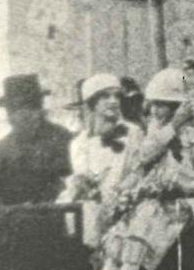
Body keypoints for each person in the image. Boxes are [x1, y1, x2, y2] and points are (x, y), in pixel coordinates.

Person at [94, 68, 194, 270]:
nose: (154, 111)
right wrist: (172, 128)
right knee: (127, 218)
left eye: (161, 105)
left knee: (149, 217)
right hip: (159, 198)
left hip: (189, 202)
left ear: (178, 105)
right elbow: (145, 156)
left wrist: (186, 188)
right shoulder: (161, 128)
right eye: (153, 104)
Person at [60, 73, 144, 247]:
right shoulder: (79, 144)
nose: (113, 101)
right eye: (105, 96)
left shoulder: (133, 133)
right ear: (92, 102)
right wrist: (81, 185)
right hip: (95, 215)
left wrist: (122, 194)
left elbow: (139, 170)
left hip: (127, 208)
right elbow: (83, 179)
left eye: (116, 96)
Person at [0, 73, 73, 205]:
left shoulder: (60, 137)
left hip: (54, 216)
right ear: (10, 114)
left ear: (39, 109)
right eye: (15, 109)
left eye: (30, 107)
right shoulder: (4, 146)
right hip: (15, 219)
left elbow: (69, 182)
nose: (23, 115)